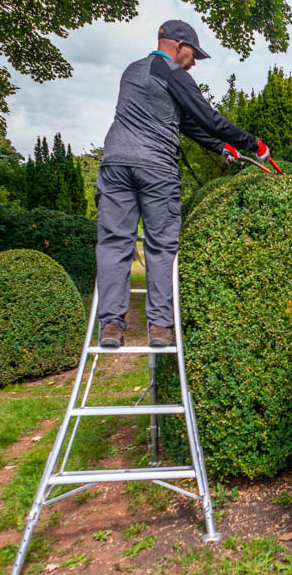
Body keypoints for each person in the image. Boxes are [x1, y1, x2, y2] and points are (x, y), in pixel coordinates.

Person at [95, 19, 271, 348]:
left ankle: (111, 326)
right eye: (194, 55)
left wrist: (220, 148)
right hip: (156, 172)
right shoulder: (174, 73)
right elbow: (207, 117)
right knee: (161, 246)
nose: (194, 64)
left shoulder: (132, 71)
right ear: (179, 45)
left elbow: (183, 122)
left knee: (114, 245)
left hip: (115, 165)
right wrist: (253, 144)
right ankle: (160, 327)